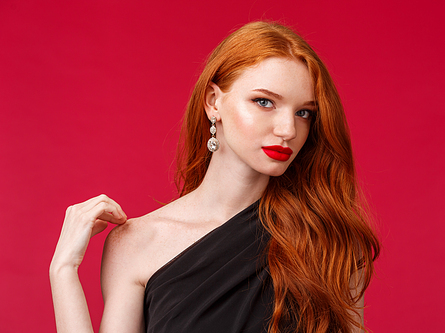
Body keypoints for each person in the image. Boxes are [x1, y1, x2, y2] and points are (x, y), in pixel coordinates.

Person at [50, 21, 380, 333]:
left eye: (303, 112)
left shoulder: (330, 241)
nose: (288, 130)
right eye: (264, 101)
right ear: (213, 102)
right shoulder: (136, 242)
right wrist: (63, 272)